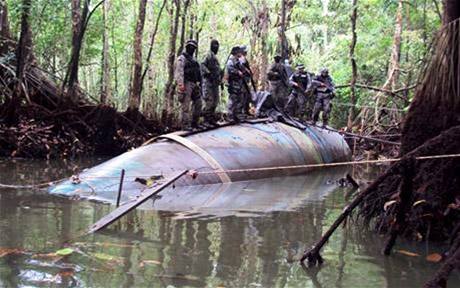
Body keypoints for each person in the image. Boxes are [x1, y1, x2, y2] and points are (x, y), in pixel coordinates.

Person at [174, 39, 202, 130]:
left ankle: (195, 123)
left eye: (194, 47)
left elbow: (198, 72)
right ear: (186, 47)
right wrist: (180, 84)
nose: (192, 49)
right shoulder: (182, 58)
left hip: (194, 84)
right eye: (190, 47)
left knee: (198, 103)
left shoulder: (194, 59)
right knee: (186, 106)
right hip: (186, 83)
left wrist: (200, 82)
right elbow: (179, 71)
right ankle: (185, 125)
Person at [201, 39, 222, 126]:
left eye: (217, 46)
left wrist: (220, 75)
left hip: (215, 83)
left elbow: (217, 70)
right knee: (209, 101)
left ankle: (211, 119)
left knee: (215, 101)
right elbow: (202, 65)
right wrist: (208, 73)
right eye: (214, 46)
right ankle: (206, 120)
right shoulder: (208, 55)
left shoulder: (215, 57)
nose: (216, 48)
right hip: (208, 82)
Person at [226, 46, 245, 122]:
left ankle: (236, 116)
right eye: (239, 52)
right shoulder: (231, 60)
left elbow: (242, 68)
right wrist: (238, 72)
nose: (240, 53)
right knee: (232, 100)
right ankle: (230, 116)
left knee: (239, 100)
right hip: (233, 83)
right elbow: (230, 69)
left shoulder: (238, 60)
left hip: (239, 83)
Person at [239, 45, 254, 116]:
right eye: (245, 51)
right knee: (243, 95)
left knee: (247, 95)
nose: (246, 52)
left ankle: (246, 110)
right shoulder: (241, 59)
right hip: (243, 81)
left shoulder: (244, 58)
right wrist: (247, 71)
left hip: (246, 80)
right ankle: (243, 111)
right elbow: (242, 67)